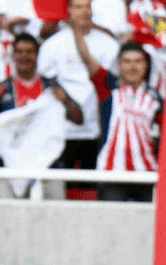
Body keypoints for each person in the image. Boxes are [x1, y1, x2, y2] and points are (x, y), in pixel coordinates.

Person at [37, 0, 119, 177]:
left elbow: (112, 85)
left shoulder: (108, 44)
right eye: (78, 6)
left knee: (92, 185)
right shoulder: (52, 45)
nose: (84, 11)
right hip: (62, 131)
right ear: (68, 11)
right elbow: (44, 83)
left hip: (98, 130)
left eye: (88, 6)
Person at [84, 41, 162, 202]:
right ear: (119, 65)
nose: (132, 66)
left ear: (146, 65)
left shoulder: (156, 98)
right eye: (127, 61)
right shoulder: (108, 88)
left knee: (147, 226)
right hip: (112, 173)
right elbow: (88, 59)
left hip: (146, 174)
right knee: (111, 226)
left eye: (138, 61)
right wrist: (76, 28)